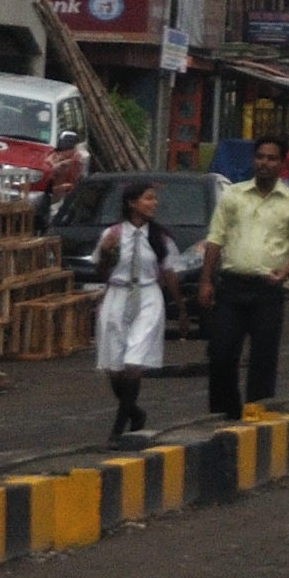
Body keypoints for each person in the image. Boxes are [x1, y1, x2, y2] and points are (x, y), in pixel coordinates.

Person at [199, 136, 289, 420]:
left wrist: (285, 272)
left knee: (263, 356)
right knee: (221, 353)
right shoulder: (233, 195)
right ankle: (226, 413)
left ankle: (257, 413)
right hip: (232, 286)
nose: (265, 163)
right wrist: (205, 281)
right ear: (254, 160)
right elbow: (215, 238)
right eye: (260, 157)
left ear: (282, 163)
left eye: (272, 158)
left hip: (268, 289)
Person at [89, 179, 176, 442]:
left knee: (133, 362)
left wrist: (180, 309)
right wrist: (106, 252)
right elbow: (101, 271)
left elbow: (169, 272)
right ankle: (135, 412)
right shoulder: (112, 234)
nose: (154, 204)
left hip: (147, 296)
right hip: (118, 294)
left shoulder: (159, 237)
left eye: (154, 199)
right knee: (116, 369)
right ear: (132, 203)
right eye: (148, 198)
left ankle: (118, 428)